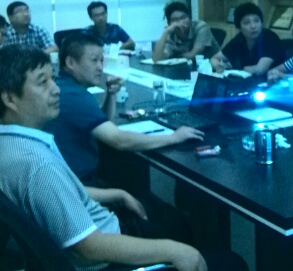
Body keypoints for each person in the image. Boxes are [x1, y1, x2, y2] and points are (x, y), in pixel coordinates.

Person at [0, 45, 250, 271]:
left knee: (175, 229)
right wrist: (174, 251)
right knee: (231, 268)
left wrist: (114, 193)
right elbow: (90, 248)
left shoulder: (12, 146)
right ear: (9, 98)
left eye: (52, 78)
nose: (56, 89)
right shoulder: (37, 165)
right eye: (42, 82)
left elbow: (58, 195)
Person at [45, 33, 203, 187]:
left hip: (68, 179)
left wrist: (111, 95)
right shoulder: (76, 96)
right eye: (94, 60)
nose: (100, 67)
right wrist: (173, 137)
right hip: (78, 186)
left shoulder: (64, 86)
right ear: (71, 62)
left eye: (101, 60)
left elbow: (101, 124)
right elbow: (119, 140)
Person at [211, 3, 285, 77]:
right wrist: (218, 66)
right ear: (239, 27)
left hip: (273, 81)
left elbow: (260, 70)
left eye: (256, 21)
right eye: (247, 23)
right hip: (250, 81)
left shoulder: (270, 37)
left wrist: (244, 69)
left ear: (261, 23)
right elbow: (214, 58)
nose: (253, 26)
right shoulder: (240, 38)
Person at [152, 2, 220, 62]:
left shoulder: (201, 27)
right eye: (175, 20)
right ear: (169, 23)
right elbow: (157, 59)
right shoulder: (170, 34)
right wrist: (166, 32)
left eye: (183, 18)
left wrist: (175, 56)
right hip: (185, 68)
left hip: (212, 67)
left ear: (189, 18)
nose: (181, 22)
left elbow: (192, 56)